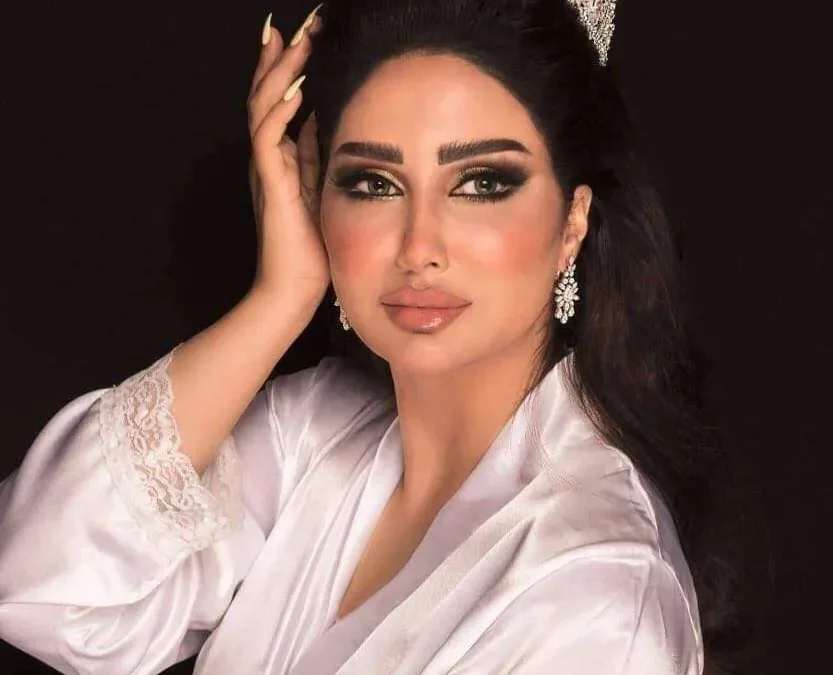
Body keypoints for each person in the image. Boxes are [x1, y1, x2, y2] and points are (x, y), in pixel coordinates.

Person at [0, 1, 735, 673]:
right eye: (374, 184)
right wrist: (279, 299)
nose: (419, 247)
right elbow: (36, 585)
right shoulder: (314, 433)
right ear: (318, 197)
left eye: (481, 183)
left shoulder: (597, 600)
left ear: (572, 222)